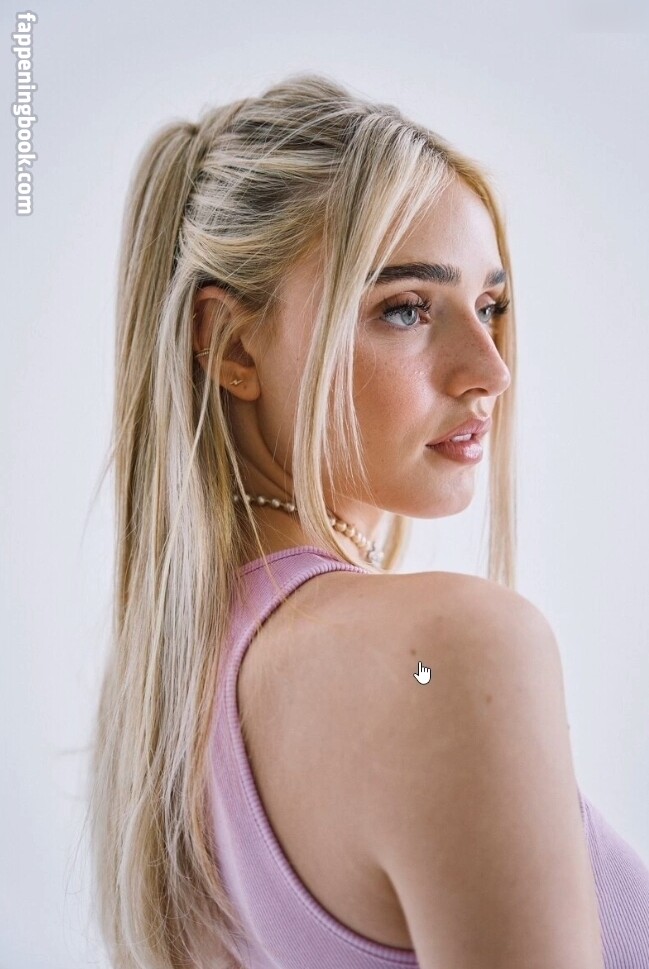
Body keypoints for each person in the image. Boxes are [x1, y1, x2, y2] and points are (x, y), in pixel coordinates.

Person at [88, 72, 649, 969]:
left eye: (490, 307)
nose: (490, 369)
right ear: (231, 344)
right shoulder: (448, 653)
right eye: (406, 308)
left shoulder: (171, 704)